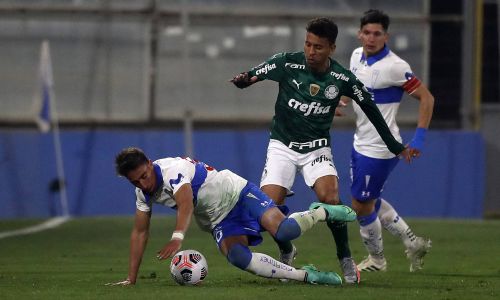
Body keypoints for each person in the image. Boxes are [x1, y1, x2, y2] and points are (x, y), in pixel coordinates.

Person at [230, 17, 412, 284]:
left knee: (331, 198)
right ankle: (287, 249)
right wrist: (243, 80)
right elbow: (254, 74)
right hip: (282, 145)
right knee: (267, 210)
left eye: (318, 47)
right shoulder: (286, 62)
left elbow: (372, 111)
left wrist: (395, 146)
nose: (311, 52)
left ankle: (346, 259)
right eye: (308, 44)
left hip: (316, 149)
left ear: (331, 48)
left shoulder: (341, 78)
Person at [106, 147, 358, 286]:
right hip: (219, 219)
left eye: (144, 176)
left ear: (150, 164)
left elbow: (185, 204)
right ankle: (307, 276)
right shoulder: (142, 193)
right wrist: (131, 278)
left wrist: (177, 237)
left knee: (284, 231)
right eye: (135, 182)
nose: (143, 184)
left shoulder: (174, 170)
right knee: (238, 258)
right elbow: (139, 232)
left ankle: (322, 211)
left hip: (237, 192)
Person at [343, 9, 434, 272]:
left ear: (386, 36)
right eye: (367, 33)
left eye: (377, 33)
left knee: (360, 206)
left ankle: (377, 260)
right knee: (368, 200)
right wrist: (343, 101)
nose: (371, 38)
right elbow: (351, 85)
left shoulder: (395, 66)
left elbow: (427, 98)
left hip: (382, 148)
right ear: (360, 34)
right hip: (360, 142)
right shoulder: (356, 56)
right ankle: (412, 242)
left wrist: (419, 138)